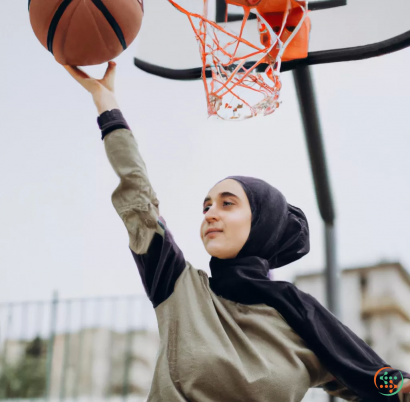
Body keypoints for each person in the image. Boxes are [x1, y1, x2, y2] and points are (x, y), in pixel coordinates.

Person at [63, 61, 410, 402]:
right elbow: (138, 200)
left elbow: (373, 379)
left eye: (227, 204)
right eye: (206, 206)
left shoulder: (302, 319)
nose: (211, 213)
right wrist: (107, 107)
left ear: (262, 222)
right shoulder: (179, 289)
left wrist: (401, 387)